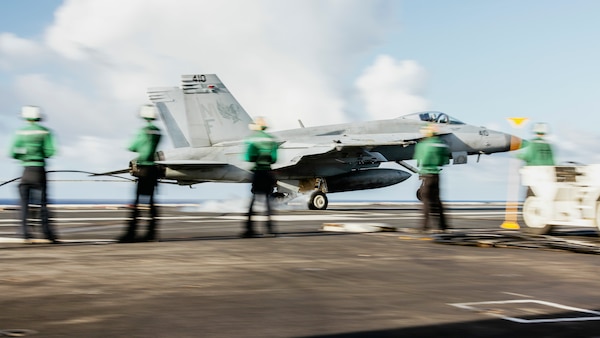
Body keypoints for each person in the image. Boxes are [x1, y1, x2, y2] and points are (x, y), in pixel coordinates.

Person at [9, 105, 59, 244]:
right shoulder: (46, 132)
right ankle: (47, 233)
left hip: (26, 170)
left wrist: (24, 157)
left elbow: (13, 152)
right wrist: (40, 154)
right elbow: (51, 151)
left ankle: (24, 232)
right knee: (42, 204)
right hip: (39, 170)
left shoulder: (20, 132)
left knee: (23, 203)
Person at [118, 104, 162, 243]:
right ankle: (151, 233)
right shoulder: (157, 132)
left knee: (137, 203)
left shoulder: (143, 131)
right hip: (154, 169)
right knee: (151, 203)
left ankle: (131, 233)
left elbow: (132, 146)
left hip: (143, 168)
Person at [242, 117, 279, 238]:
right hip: (267, 172)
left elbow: (249, 157)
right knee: (268, 201)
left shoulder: (252, 139)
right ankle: (270, 229)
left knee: (253, 201)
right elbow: (274, 158)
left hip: (257, 172)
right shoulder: (271, 140)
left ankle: (249, 228)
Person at [413, 124, 451, 233]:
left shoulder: (422, 145)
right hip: (436, 175)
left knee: (426, 201)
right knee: (437, 200)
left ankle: (424, 226)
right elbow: (444, 161)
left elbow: (420, 158)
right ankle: (442, 226)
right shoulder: (441, 144)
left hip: (426, 175)